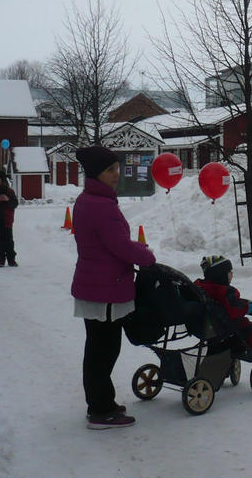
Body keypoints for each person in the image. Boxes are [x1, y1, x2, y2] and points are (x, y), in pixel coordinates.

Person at [71, 145, 155, 430]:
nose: (117, 174)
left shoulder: (88, 200)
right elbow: (118, 245)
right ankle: (100, 410)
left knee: (98, 348)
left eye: (117, 168)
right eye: (110, 170)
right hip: (104, 287)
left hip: (96, 284)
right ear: (97, 173)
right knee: (103, 350)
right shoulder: (101, 205)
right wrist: (145, 255)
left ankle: (100, 403)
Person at [194, 255, 252, 356]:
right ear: (220, 274)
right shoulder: (225, 291)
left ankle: (217, 350)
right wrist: (249, 307)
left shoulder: (199, 286)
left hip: (203, 325)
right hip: (220, 325)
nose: (232, 274)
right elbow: (233, 308)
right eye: (230, 272)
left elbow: (225, 302)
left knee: (219, 325)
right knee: (248, 327)